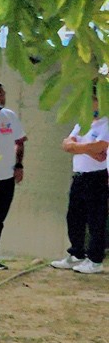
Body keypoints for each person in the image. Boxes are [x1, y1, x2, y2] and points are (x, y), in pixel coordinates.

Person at [51, 94, 107, 275]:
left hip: (97, 177)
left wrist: (79, 148)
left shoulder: (105, 123)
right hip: (80, 176)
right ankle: (76, 253)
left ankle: (95, 260)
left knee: (95, 219)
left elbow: (102, 147)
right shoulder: (83, 123)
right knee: (74, 216)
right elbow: (66, 144)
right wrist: (88, 150)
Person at [0, 82, 26, 270]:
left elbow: (20, 142)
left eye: (3, 93)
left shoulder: (10, 116)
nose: (2, 97)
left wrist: (18, 165)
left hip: (7, 175)